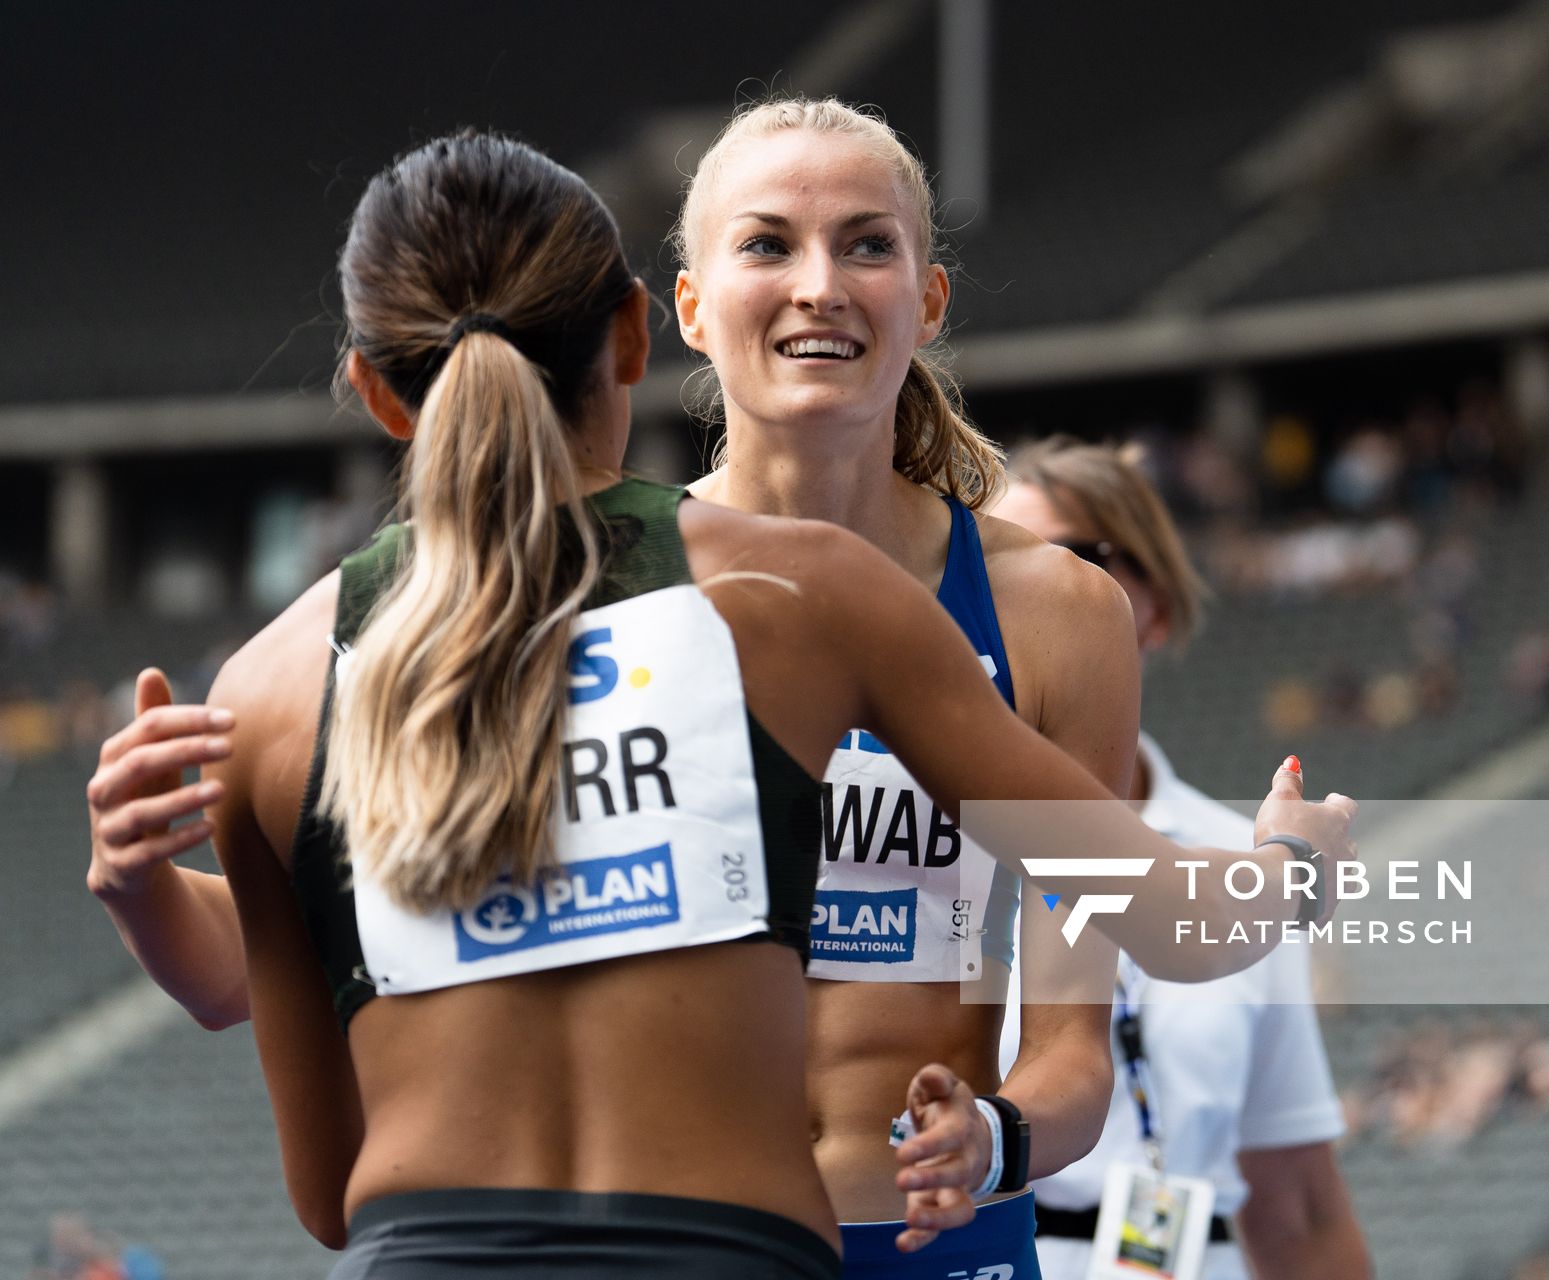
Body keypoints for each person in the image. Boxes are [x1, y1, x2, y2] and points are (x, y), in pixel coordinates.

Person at [83, 131, 1359, 1274]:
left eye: (866, 244)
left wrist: (1005, 1135)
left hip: (752, 1235)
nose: (818, 283)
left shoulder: (279, 678)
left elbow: (327, 1183)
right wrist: (1290, 873)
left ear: (372, 388)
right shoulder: (796, 598)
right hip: (732, 1235)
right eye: (769, 243)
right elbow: (1182, 917)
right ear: (655, 324)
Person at [993, 437, 1370, 1280]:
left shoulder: (1254, 856)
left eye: (1069, 558)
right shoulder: (923, 835)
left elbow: (1296, 1203)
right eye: (991, 564)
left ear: (1155, 609)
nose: (1028, 591)